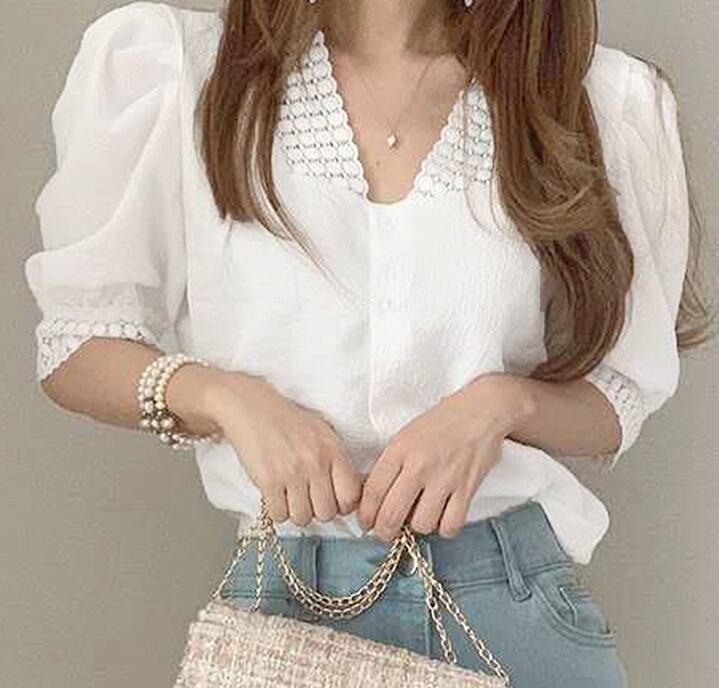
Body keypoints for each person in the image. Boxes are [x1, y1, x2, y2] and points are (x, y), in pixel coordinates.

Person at [24, 1, 713, 686]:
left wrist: (501, 405)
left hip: (509, 604)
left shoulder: (586, 98)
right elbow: (80, 347)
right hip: (284, 609)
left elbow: (617, 397)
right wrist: (225, 399)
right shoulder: (182, 71)